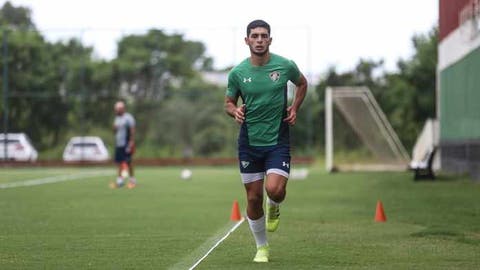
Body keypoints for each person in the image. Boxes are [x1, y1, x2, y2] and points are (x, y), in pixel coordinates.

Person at [224, 19, 307, 263]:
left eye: (263, 36)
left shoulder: (285, 65)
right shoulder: (238, 73)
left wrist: (295, 107)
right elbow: (228, 102)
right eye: (255, 36)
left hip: (277, 140)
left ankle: (275, 204)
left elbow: (302, 83)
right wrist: (235, 111)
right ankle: (262, 247)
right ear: (247, 40)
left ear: (270, 40)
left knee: (275, 190)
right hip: (249, 143)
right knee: (252, 198)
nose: (259, 40)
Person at [111, 101, 137, 189]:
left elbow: (132, 130)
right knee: (119, 162)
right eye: (116, 109)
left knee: (128, 162)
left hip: (126, 143)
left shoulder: (128, 118)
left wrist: (131, 142)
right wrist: (114, 128)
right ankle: (120, 180)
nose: (116, 111)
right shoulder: (117, 119)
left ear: (122, 109)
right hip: (119, 144)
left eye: (117, 109)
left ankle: (132, 180)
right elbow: (114, 131)